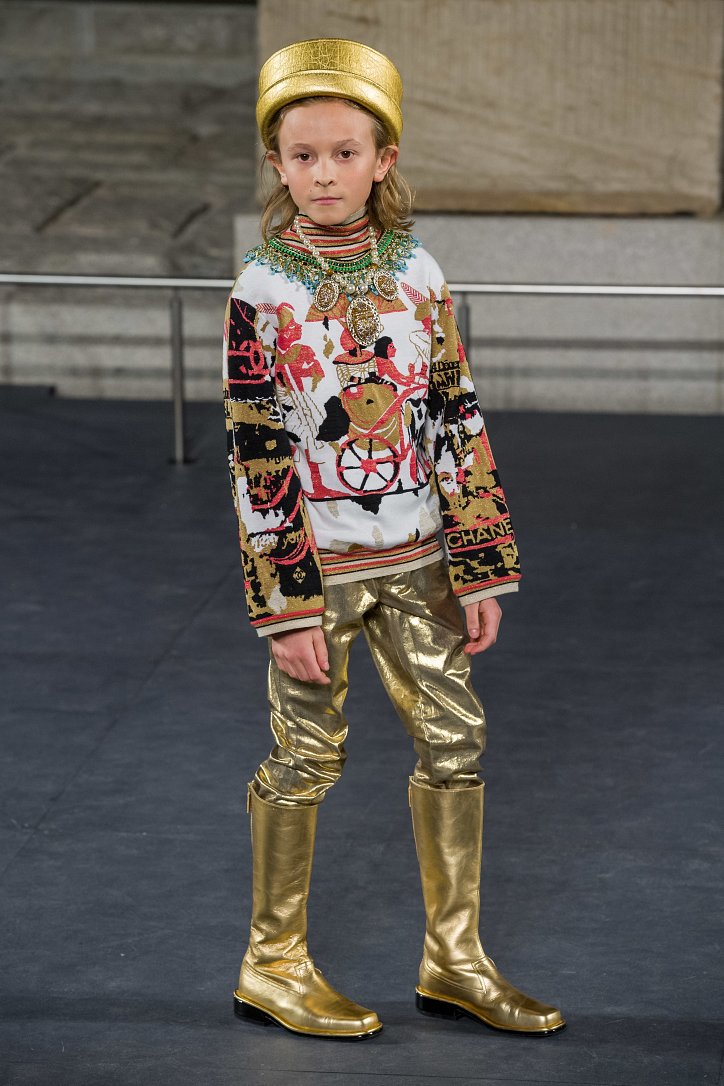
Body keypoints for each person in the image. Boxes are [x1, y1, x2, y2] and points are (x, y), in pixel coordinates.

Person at [222, 37, 565, 1040]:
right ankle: (272, 961)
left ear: (385, 160)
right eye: (302, 156)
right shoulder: (261, 289)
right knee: (304, 754)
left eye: (344, 153)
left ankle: (455, 957)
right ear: (277, 165)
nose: (324, 174)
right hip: (318, 569)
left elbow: (455, 413)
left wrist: (480, 563)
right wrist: (283, 603)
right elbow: (255, 449)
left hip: (420, 561)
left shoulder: (419, 272)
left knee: (455, 742)